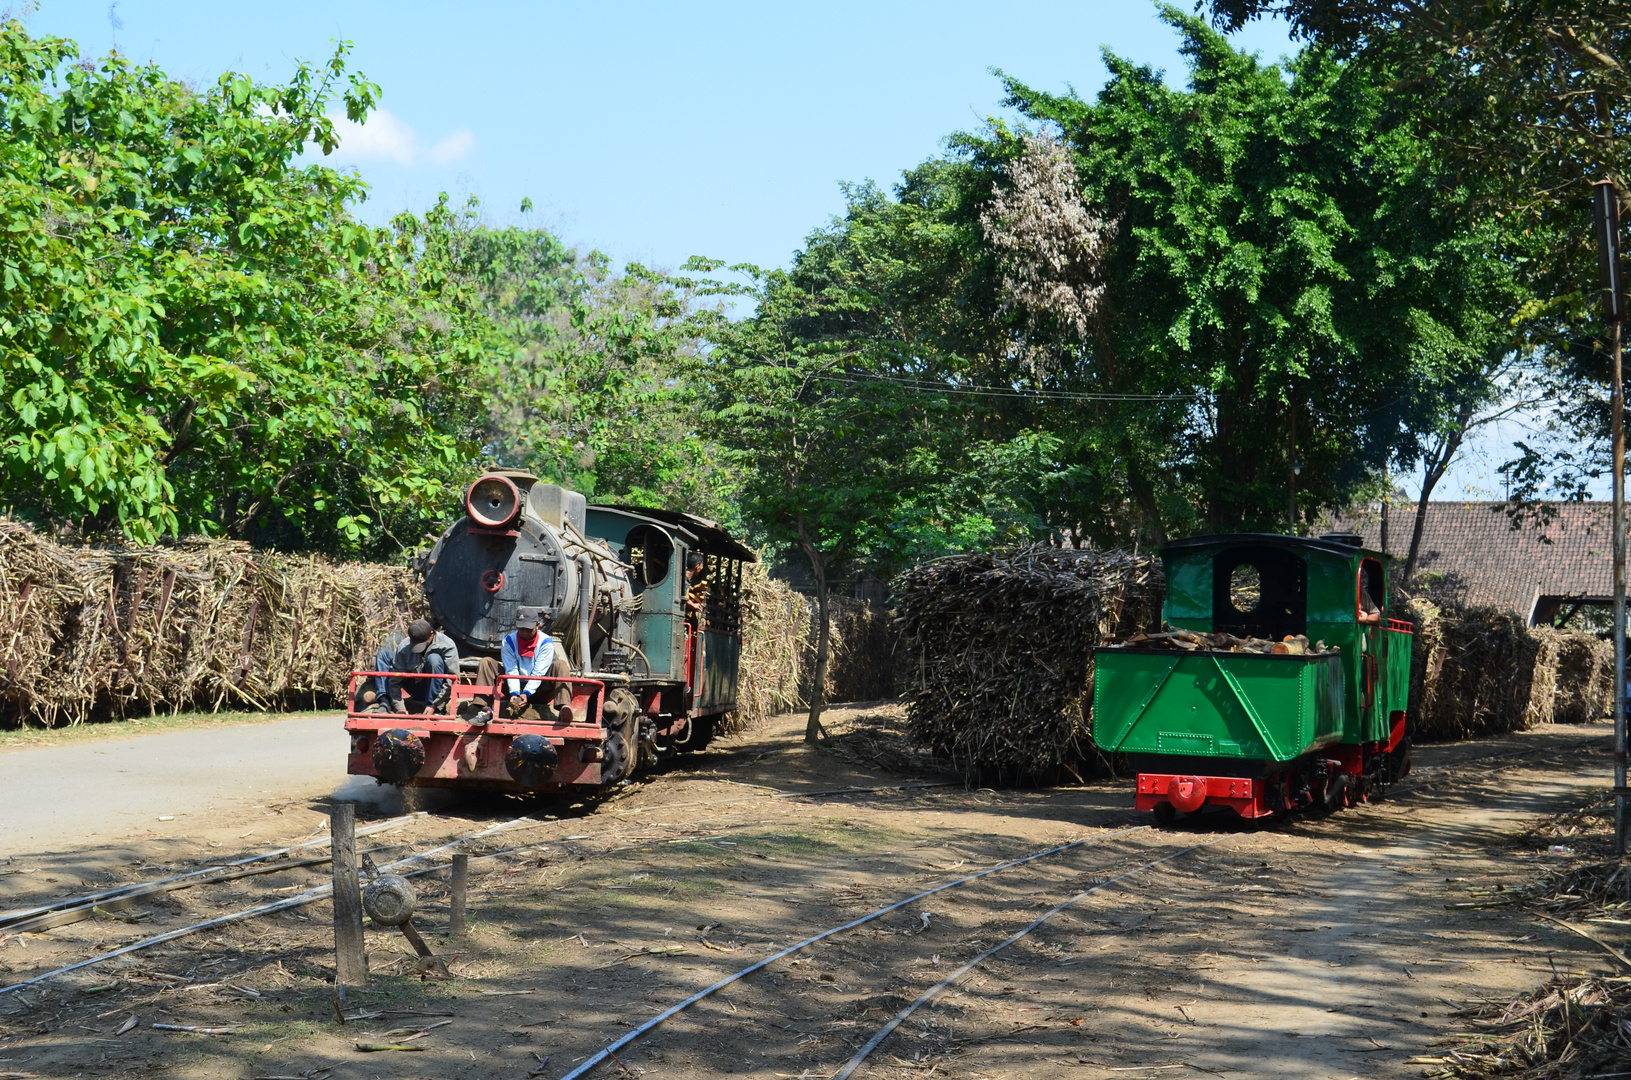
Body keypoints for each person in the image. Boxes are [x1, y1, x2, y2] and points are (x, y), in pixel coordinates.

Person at [474, 605, 574, 723]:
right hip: (515, 684)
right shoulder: (508, 641)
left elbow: (539, 672)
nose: (525, 633)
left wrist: (527, 692)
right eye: (521, 629)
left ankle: (564, 709)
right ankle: (484, 709)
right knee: (486, 662)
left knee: (561, 665)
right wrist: (515, 693)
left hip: (539, 688)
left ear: (538, 626)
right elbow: (511, 669)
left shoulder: (546, 642)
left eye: (528, 629)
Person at [357, 619, 459, 714]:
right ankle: (385, 702)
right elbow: (395, 680)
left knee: (434, 659)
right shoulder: (405, 646)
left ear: (431, 634)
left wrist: (435, 705)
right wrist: (399, 707)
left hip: (435, 690)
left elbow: (453, 681)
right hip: (414, 686)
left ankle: (432, 706)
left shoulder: (447, 645)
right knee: (383, 653)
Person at [684, 552, 709, 619]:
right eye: (702, 565)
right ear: (697, 566)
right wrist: (693, 605)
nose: (702, 568)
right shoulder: (682, 579)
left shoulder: (688, 580)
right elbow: (683, 596)